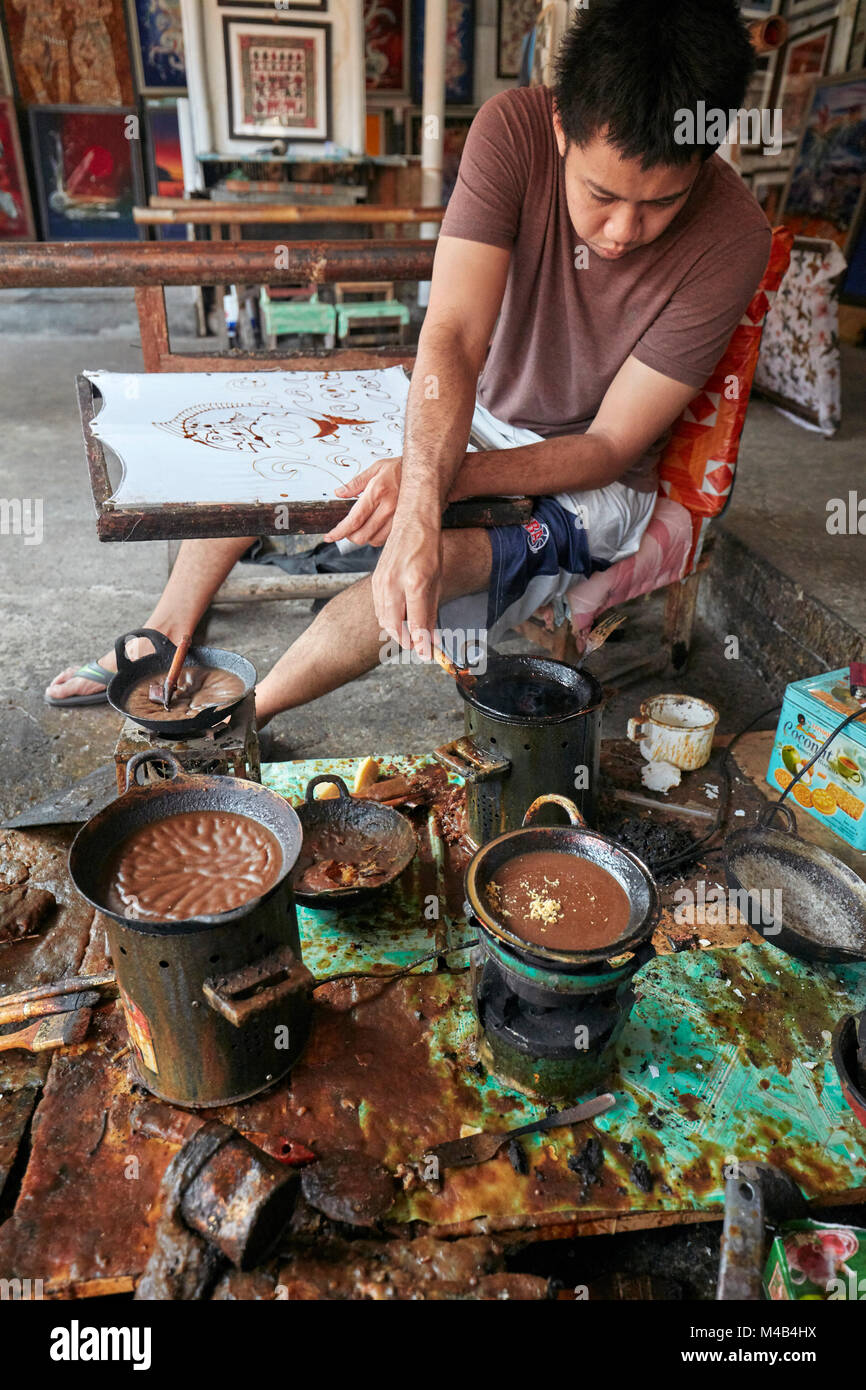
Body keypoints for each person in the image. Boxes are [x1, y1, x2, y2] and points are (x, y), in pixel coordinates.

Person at [46, 0, 771, 730]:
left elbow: (609, 446)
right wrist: (424, 483)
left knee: (432, 564)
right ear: (561, 127)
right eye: (601, 194)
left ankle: (237, 722)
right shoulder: (513, 129)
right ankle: (170, 624)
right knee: (271, 444)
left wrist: (432, 490)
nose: (622, 232)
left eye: (660, 204)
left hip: (594, 482)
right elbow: (452, 337)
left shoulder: (735, 236)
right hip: (476, 410)